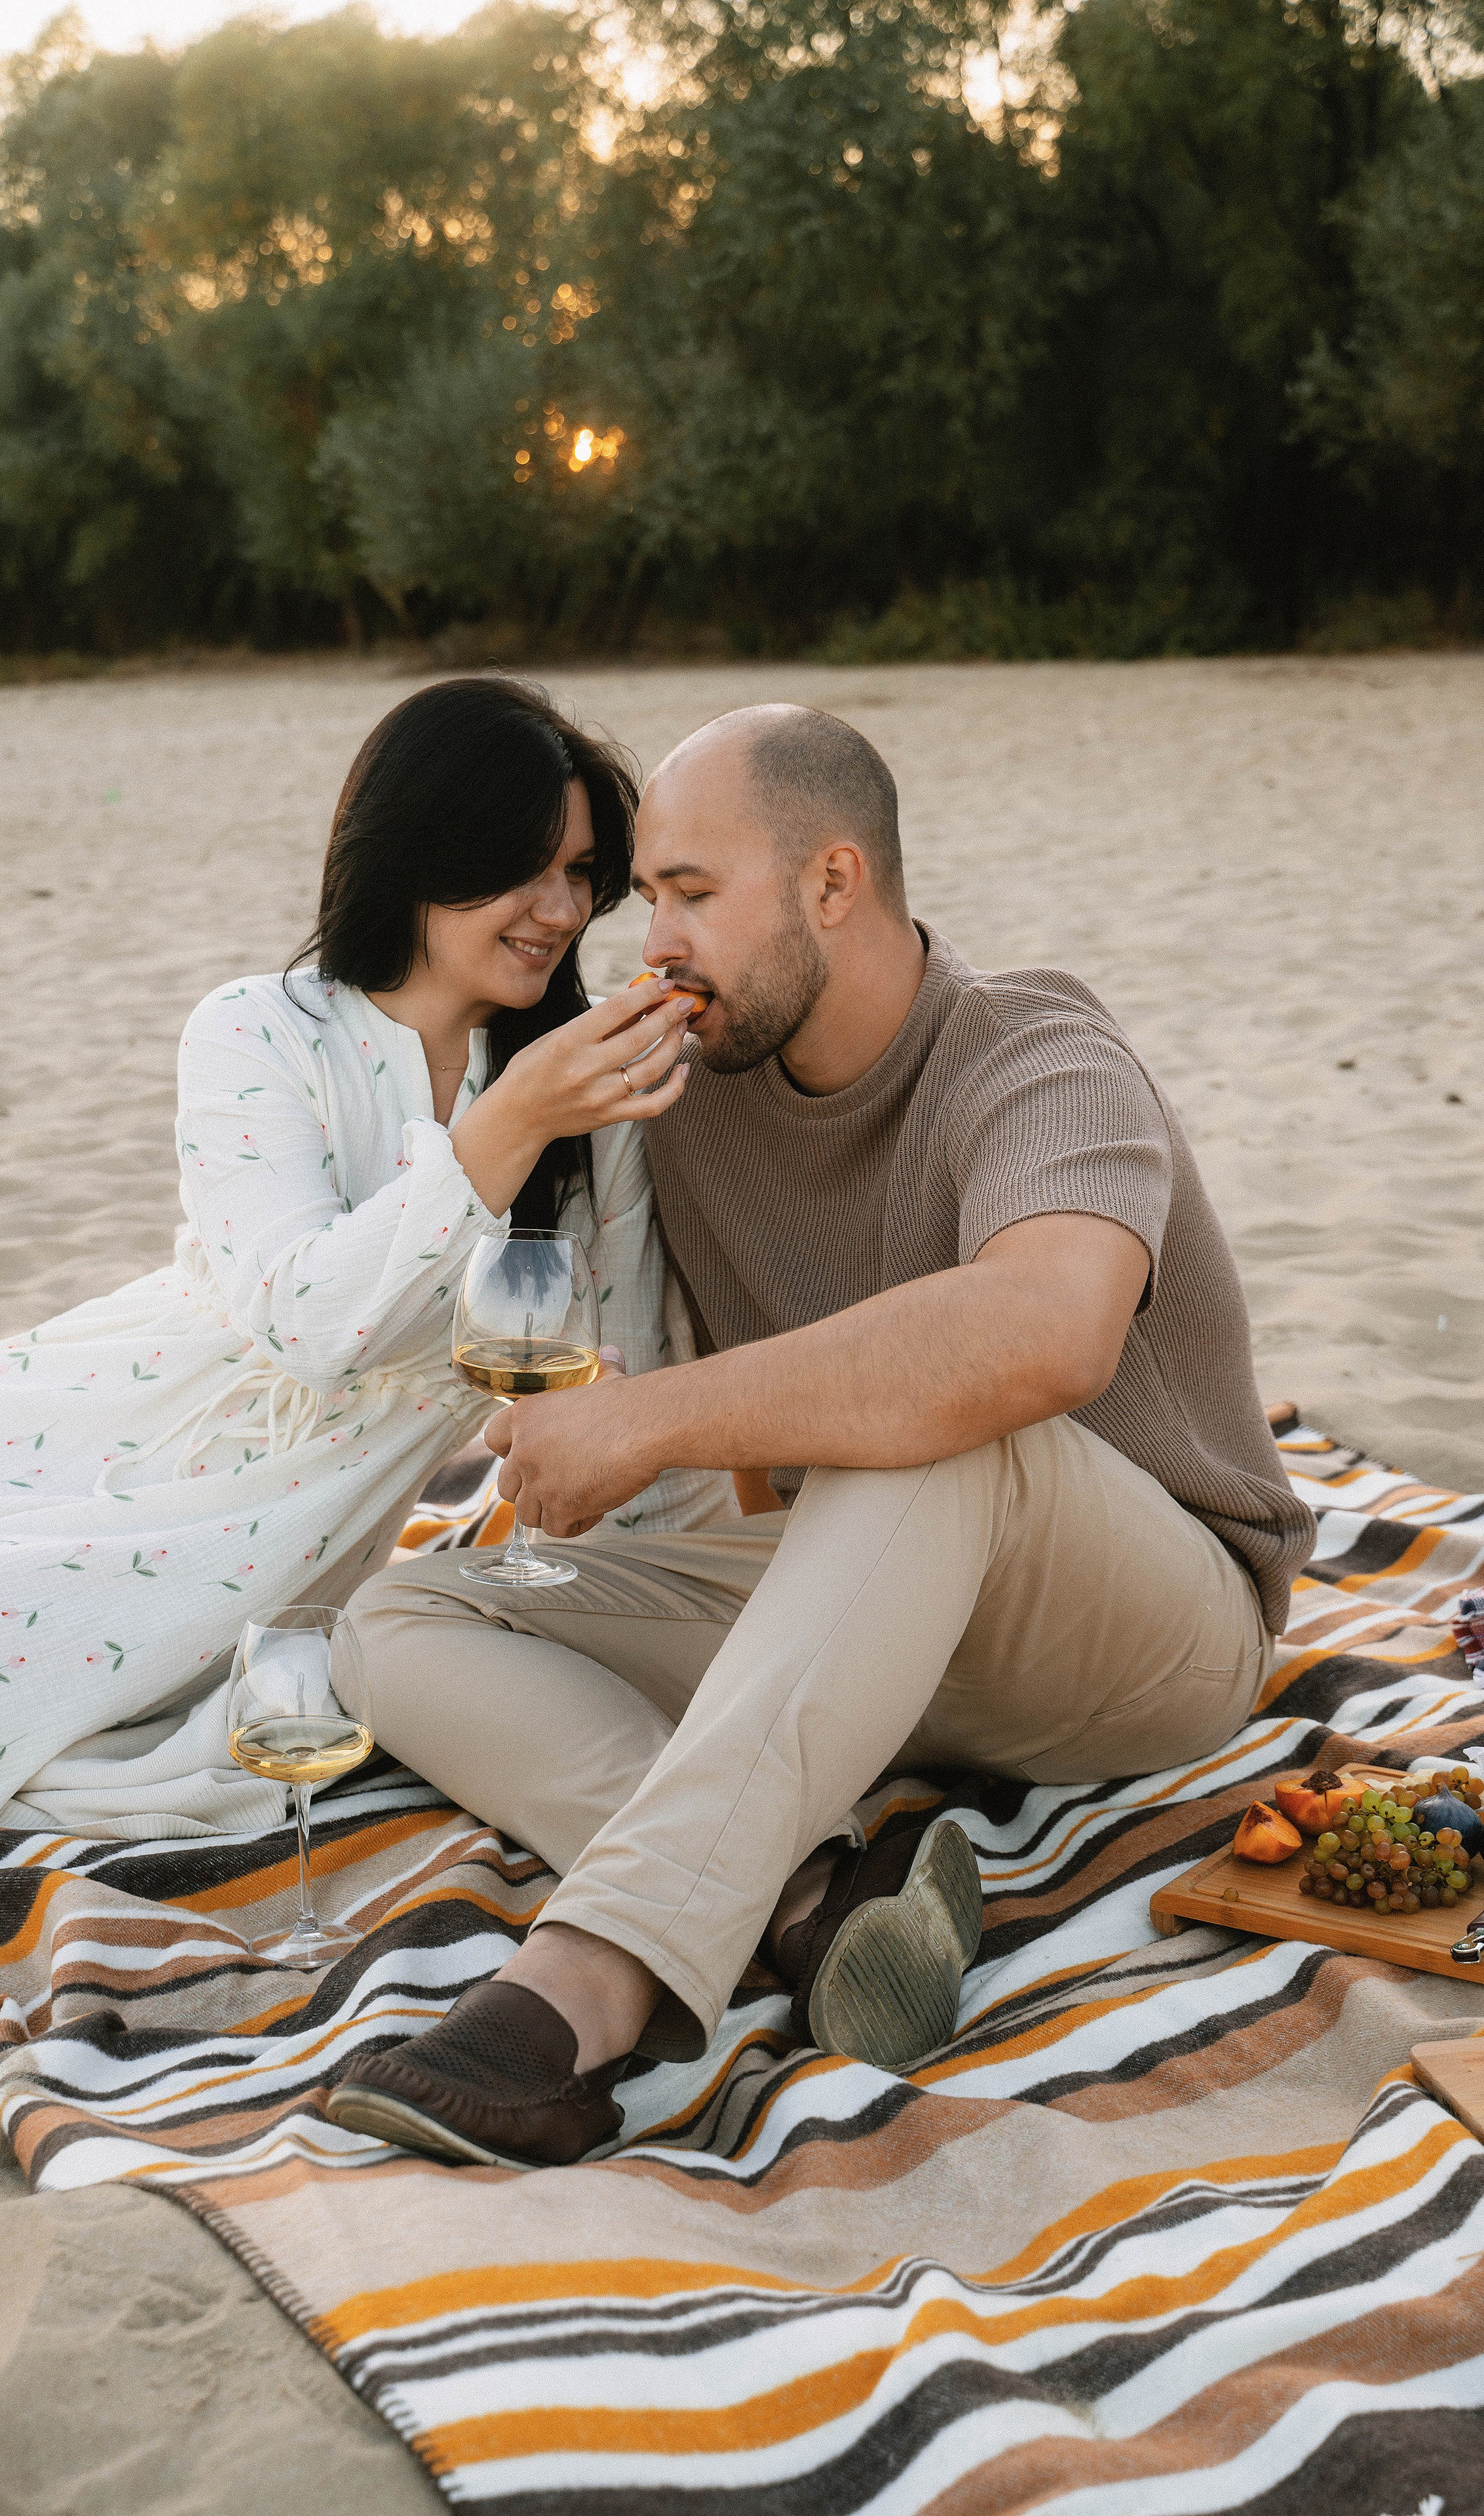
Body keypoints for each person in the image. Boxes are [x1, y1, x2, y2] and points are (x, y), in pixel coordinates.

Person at [325, 701, 1318, 2168]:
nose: (647, 939)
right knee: (401, 1614)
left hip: (1146, 1641)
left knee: (941, 1419)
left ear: (831, 886)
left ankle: (591, 1984)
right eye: (643, 895)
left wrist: (648, 1422)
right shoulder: (691, 1097)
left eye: (688, 894)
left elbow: (1042, 1334)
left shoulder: (1035, 1057)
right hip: (875, 1621)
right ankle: (807, 1894)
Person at [0, 677, 727, 1837]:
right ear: (415, 853)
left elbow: (632, 1367)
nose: (558, 908)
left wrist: (681, 1615)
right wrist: (510, 1125)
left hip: (274, 1531)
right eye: (521, 866)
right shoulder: (255, 1029)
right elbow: (306, 1321)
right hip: (109, 1410)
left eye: (583, 873)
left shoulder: (587, 1084)